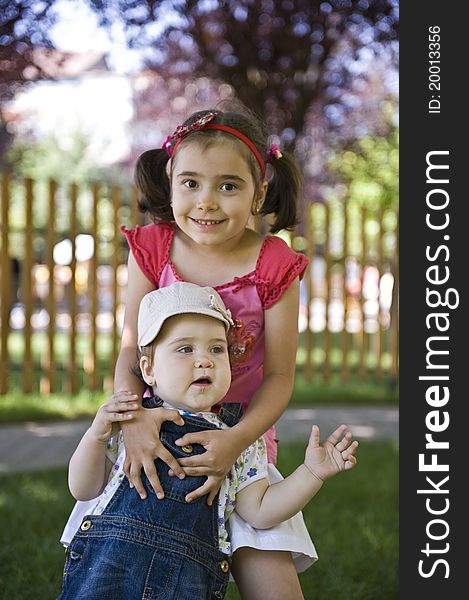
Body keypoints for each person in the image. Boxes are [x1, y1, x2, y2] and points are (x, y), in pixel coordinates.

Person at [116, 104, 318, 598]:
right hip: (155, 426)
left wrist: (236, 441)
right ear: (170, 180)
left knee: (268, 571)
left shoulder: (274, 265)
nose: (206, 202)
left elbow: (279, 376)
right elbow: (128, 350)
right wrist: (132, 420)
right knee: (138, 565)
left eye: (228, 185)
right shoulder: (154, 248)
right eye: (191, 183)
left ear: (259, 192)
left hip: (243, 435)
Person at [58, 283, 358, 599]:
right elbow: (83, 488)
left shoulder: (238, 439)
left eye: (216, 349)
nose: (205, 361)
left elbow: (259, 512)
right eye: (185, 349)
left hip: (187, 581)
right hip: (107, 569)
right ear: (149, 369)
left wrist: (310, 474)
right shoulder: (130, 424)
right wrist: (96, 436)